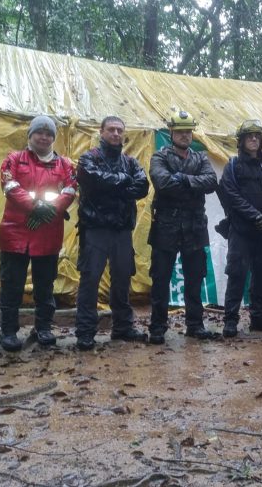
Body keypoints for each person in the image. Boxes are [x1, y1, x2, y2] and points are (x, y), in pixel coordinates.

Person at [0, 115, 77, 352]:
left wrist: (51, 208)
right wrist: (36, 207)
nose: (44, 137)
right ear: (30, 135)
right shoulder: (13, 159)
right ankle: (8, 332)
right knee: (12, 285)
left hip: (48, 233)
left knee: (45, 285)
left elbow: (70, 189)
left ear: (53, 137)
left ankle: (43, 328)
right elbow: (10, 186)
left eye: (49, 133)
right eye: (39, 132)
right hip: (16, 233)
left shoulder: (65, 165)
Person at [75, 116, 149, 350]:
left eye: (119, 130)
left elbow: (143, 187)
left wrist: (115, 184)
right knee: (90, 281)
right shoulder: (89, 158)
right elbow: (92, 181)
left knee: (122, 279)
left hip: (121, 230)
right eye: (111, 130)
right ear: (101, 132)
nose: (116, 134)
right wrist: (123, 184)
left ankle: (123, 327)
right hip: (95, 229)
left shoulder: (131, 162)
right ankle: (85, 332)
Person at [147, 111, 218, 345]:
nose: (185, 135)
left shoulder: (201, 158)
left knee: (195, 279)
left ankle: (195, 325)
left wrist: (183, 179)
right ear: (171, 133)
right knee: (161, 279)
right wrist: (192, 183)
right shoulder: (159, 156)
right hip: (166, 226)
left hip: (195, 226)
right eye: (180, 132)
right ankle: (157, 327)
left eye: (188, 131)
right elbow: (162, 182)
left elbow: (211, 182)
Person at [218, 119, 262, 337]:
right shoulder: (233, 166)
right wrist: (255, 216)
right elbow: (232, 195)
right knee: (237, 274)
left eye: (257, 136)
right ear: (242, 141)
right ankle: (231, 321)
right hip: (241, 231)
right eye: (249, 136)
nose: (254, 139)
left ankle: (259, 318)